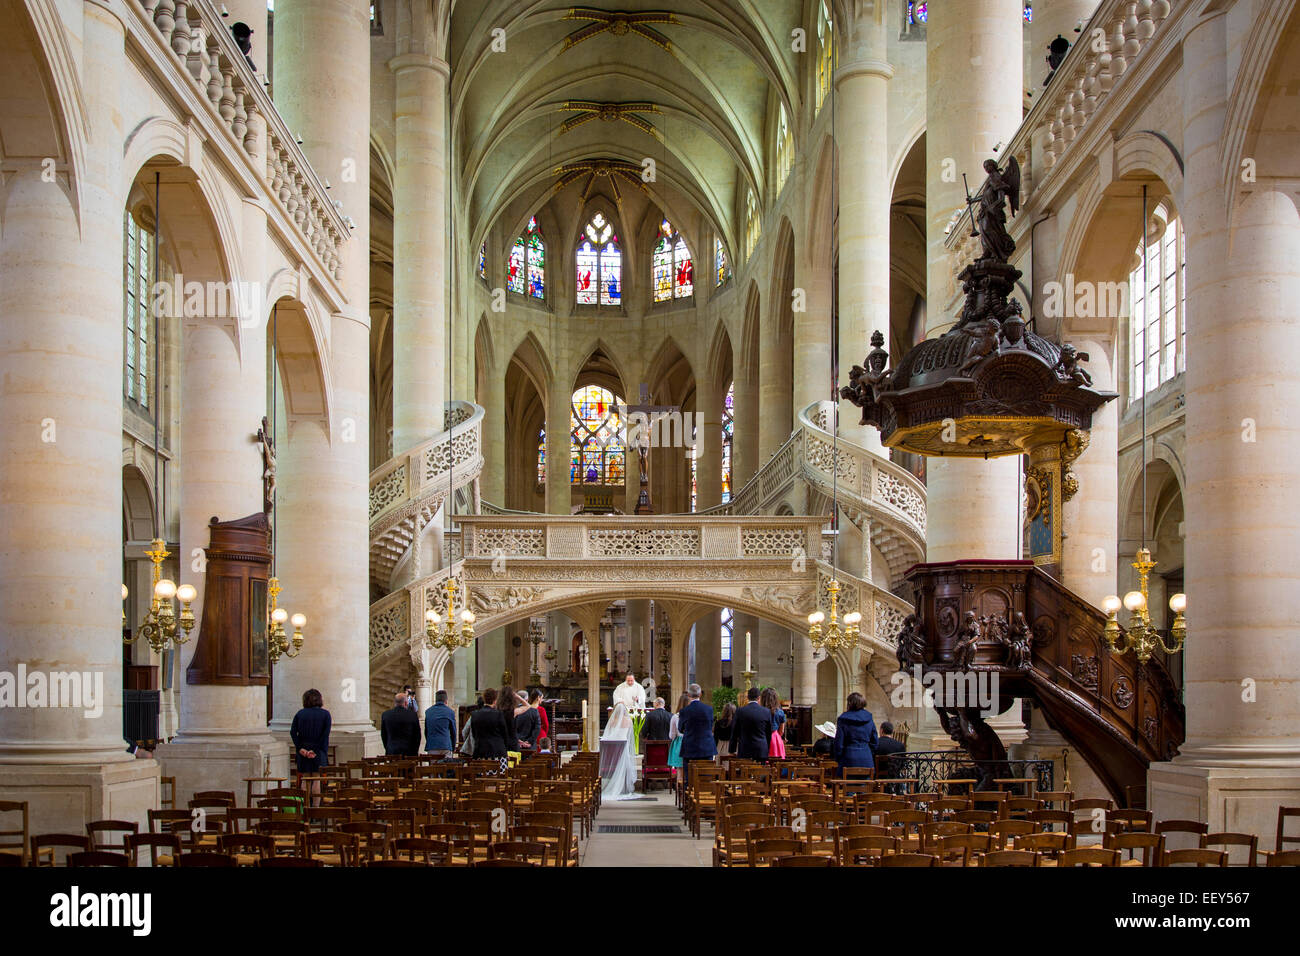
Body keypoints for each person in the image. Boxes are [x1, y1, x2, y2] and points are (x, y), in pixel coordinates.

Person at [469, 687, 518, 768]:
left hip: (480, 752)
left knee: (481, 778)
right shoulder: (498, 714)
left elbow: (474, 734)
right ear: (495, 700)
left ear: (484, 699)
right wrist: (505, 750)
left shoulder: (475, 715)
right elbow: (504, 735)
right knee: (499, 778)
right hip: (498, 752)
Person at [832, 691, 879, 777]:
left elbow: (838, 743)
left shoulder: (843, 719)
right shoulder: (869, 718)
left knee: (849, 788)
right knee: (864, 788)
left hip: (848, 757)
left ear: (849, 703)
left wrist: (839, 758)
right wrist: (868, 751)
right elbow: (875, 741)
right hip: (866, 758)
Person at [290, 688, 331, 783]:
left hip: (303, 751)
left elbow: (293, 732)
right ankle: (316, 798)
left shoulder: (300, 713)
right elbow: (325, 735)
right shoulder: (325, 714)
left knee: (305, 778)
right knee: (316, 779)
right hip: (319, 751)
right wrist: (315, 750)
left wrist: (300, 748)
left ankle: (306, 798)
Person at [677, 683, 716, 784]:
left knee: (689, 779)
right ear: (700, 695)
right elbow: (710, 726)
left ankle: (689, 798)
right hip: (706, 747)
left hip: (690, 747)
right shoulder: (709, 709)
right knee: (706, 778)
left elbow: (680, 729)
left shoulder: (685, 711)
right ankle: (705, 796)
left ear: (689, 695)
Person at [599, 702, 638, 800]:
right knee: (626, 761)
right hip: (623, 749)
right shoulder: (628, 721)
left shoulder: (612, 721)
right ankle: (624, 788)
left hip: (612, 750)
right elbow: (629, 737)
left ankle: (609, 785)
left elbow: (609, 734)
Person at [729, 686, 774, 760]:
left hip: (745, 749)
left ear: (748, 697)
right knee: (761, 771)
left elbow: (734, 732)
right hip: (761, 750)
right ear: (759, 698)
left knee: (744, 771)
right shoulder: (766, 712)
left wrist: (731, 750)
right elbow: (768, 733)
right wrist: (767, 748)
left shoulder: (740, 711)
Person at [380, 690, 421, 756]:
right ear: (405, 703)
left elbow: (384, 735)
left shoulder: (386, 715)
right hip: (409, 752)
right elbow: (417, 735)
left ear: (395, 703)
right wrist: (415, 750)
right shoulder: (412, 715)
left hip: (392, 751)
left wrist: (388, 748)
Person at [760, 687, 787, 759]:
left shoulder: (760, 712)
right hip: (775, 739)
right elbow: (781, 731)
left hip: (762, 738)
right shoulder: (780, 712)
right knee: (777, 764)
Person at [666, 692, 689, 772]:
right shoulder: (694, 715)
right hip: (692, 742)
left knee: (680, 771)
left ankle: (679, 784)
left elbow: (672, 735)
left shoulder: (675, 717)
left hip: (679, 744)